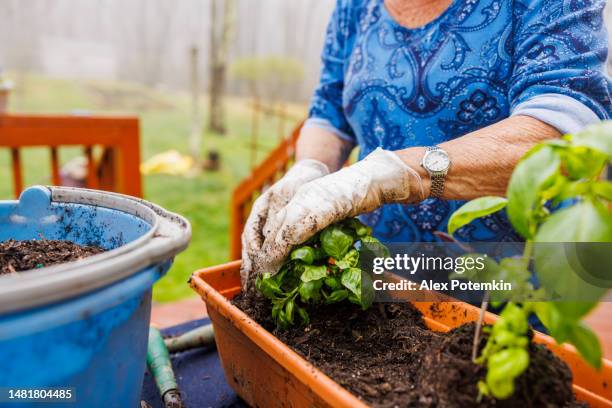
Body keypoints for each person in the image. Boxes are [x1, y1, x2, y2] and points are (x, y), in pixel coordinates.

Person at [241, 0, 611, 283]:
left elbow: (559, 132)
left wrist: (400, 174)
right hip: (385, 273)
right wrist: (309, 169)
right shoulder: (355, 6)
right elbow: (329, 112)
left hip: (507, 284)